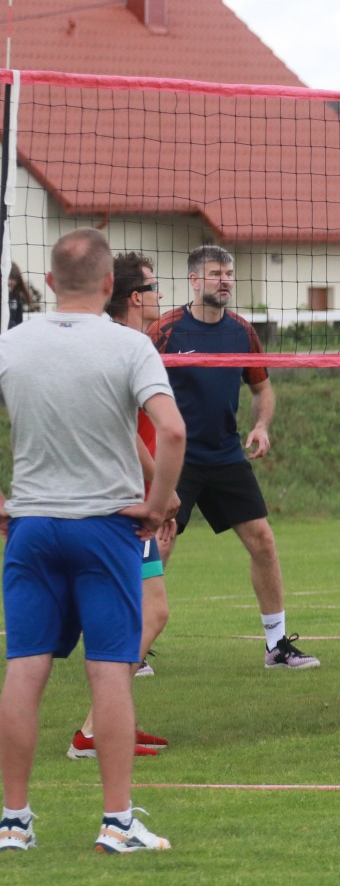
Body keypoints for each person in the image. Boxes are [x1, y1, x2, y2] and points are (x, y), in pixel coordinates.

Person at [0, 228, 184, 853]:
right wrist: (156, 506)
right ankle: (116, 821)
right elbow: (173, 433)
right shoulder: (129, 345)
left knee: (23, 672)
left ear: (50, 283)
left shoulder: (12, 342)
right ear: (111, 286)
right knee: (110, 674)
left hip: (31, 527)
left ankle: (14, 822)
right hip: (105, 527)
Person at [148, 245, 318, 669]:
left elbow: (262, 388)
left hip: (225, 454)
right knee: (158, 547)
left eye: (229, 272)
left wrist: (261, 426)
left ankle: (276, 646)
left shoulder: (242, 331)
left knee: (263, 541)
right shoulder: (164, 331)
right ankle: (132, 647)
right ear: (194, 280)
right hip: (177, 459)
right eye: (215, 273)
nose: (225, 279)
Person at [69, 253, 174, 760]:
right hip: (121, 500)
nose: (160, 296)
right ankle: (94, 731)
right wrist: (162, 492)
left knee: (141, 613)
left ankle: (109, 723)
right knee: (148, 612)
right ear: (135, 297)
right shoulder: (126, 344)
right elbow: (123, 428)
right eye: (154, 287)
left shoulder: (130, 343)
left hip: (124, 497)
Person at [7, 263, 39, 330]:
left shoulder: (17, 296)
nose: (11, 282)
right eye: (9, 278)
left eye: (14, 278)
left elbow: (19, 320)